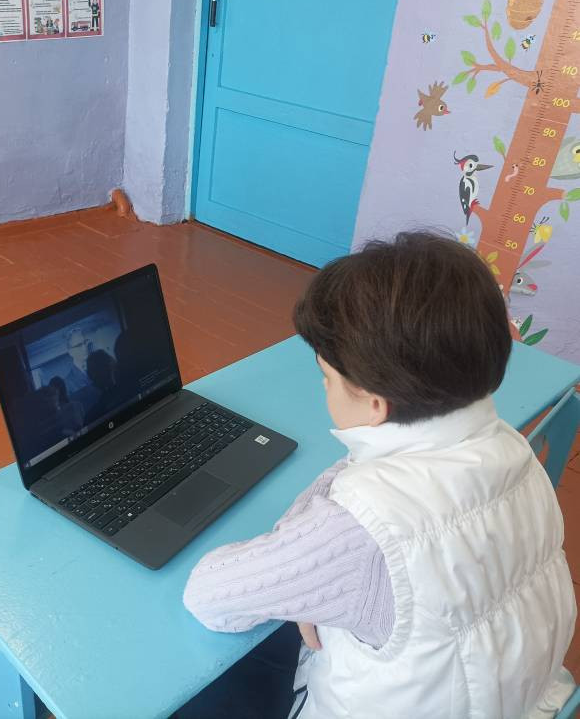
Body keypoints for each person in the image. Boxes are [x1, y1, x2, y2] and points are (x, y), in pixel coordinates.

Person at [181, 232, 576, 718]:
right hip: (520, 698)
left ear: (374, 404)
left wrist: (318, 570)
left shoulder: (361, 525)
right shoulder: (509, 446)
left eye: (327, 378)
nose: (323, 387)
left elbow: (210, 598)